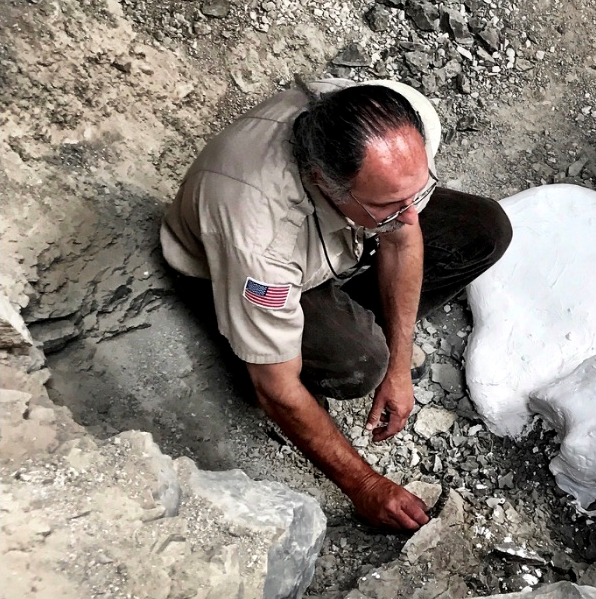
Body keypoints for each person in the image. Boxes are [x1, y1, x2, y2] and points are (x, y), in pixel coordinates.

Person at [160, 78, 512, 531]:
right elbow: (277, 390)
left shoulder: (381, 122)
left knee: (485, 229)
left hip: (337, 234)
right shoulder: (260, 242)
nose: (410, 215)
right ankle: (267, 342)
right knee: (359, 362)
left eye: (417, 193)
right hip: (228, 272)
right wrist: (367, 486)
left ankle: (343, 311)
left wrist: (401, 367)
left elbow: (403, 236)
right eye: (389, 204)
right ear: (323, 181)